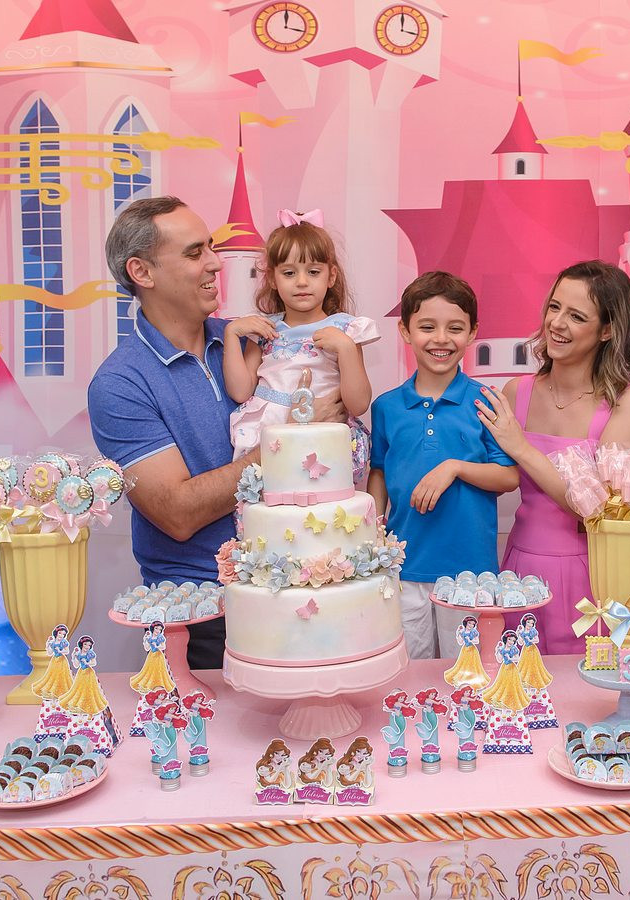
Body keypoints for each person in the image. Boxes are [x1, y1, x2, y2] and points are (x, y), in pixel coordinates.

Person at [90, 197, 346, 670]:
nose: (215, 262)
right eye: (194, 253)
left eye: (211, 246)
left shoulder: (259, 340)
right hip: (204, 611)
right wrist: (289, 441)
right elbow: (177, 513)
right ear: (142, 272)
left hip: (300, 586)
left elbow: (342, 404)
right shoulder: (121, 384)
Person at [476, 261, 630, 654]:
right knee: (515, 680)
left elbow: (599, 509)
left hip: (591, 576)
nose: (556, 323)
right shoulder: (516, 392)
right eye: (554, 307)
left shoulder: (626, 402)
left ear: (607, 330)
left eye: (576, 316)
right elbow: (496, 478)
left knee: (585, 685)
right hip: (519, 570)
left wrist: (521, 447)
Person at [368, 271, 519, 659]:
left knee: (468, 671)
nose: (441, 339)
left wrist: (455, 466)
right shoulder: (386, 406)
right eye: (427, 327)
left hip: (469, 573)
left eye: (455, 328)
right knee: (408, 672)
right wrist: (373, 529)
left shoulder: (486, 401)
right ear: (405, 331)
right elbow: (379, 470)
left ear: (472, 333)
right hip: (404, 568)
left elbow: (508, 477)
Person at [223, 210, 376, 477]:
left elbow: (358, 403)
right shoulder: (264, 330)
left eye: (313, 272)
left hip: (323, 431)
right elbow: (240, 392)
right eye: (289, 273)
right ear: (272, 279)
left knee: (319, 495)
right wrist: (231, 334)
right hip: (271, 431)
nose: (302, 282)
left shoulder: (345, 330)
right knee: (276, 497)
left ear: (331, 277)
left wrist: (346, 349)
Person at [57, 636, 108, 715]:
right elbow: (76, 665)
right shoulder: (79, 654)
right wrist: (74, 656)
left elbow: (94, 663)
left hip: (89, 673)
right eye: (85, 644)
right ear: (81, 644)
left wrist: (87, 663)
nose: (87, 647)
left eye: (89, 645)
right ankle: (80, 704)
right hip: (81, 673)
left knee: (89, 688)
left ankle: (89, 704)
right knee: (79, 688)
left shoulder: (90, 654)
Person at [480, 629, 529, 711]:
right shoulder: (502, 649)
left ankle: (512, 699)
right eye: (510, 639)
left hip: (512, 668)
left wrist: (510, 658)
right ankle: (503, 698)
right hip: (504, 667)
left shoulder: (514, 649)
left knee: (512, 683)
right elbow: (499, 660)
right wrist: (498, 651)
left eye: (513, 640)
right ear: (506, 639)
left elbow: (517, 659)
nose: (511, 642)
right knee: (502, 683)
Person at [442, 615, 489, 689]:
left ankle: (473, 679)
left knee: (473, 665)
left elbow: (477, 641)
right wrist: (458, 634)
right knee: (463, 664)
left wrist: (470, 640)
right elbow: (460, 642)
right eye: (469, 623)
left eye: (473, 624)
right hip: (465, 649)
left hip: (472, 650)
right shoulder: (463, 632)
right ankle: (463, 679)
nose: (471, 625)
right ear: (466, 623)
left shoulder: (474, 632)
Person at [129, 621, 175, 695]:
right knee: (150, 670)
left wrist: (156, 646)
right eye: (156, 628)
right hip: (151, 655)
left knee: (159, 670)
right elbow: (147, 648)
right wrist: (145, 641)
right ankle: (150, 686)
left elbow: (163, 647)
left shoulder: (160, 638)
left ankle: (159, 686)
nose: (158, 631)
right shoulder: (149, 638)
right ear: (153, 628)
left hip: (158, 656)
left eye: (160, 629)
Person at [31, 624, 73, 701]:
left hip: (62, 660)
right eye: (60, 633)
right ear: (56, 633)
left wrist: (60, 651)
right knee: (53, 675)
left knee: (62, 675)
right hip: (54, 660)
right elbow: (50, 653)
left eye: (63, 634)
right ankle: (54, 691)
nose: (61, 635)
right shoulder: (52, 642)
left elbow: (67, 651)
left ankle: (62, 691)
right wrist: (48, 645)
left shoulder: (64, 642)